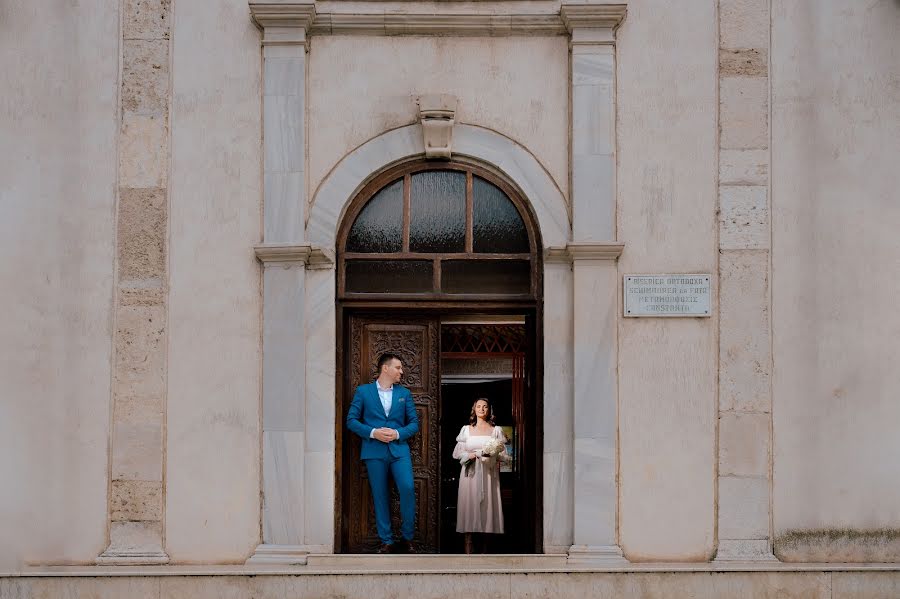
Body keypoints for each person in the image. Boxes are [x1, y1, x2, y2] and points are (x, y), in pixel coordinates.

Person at [346, 352, 419, 554]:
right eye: (398, 368)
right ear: (385, 368)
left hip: (399, 451)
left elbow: (414, 424)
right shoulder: (363, 392)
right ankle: (386, 540)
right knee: (380, 495)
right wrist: (373, 433)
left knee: (407, 489)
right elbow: (351, 421)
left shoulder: (404, 394)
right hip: (374, 451)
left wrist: (397, 433)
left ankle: (407, 538)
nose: (401, 372)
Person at [452, 397, 510, 554]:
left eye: (485, 406)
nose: (482, 409)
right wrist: (471, 455)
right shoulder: (466, 430)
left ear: (489, 410)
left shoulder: (496, 431)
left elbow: (503, 455)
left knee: (487, 506)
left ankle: (486, 549)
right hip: (470, 474)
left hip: (488, 474)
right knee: (470, 505)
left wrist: (490, 455)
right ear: (474, 409)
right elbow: (457, 453)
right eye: (479, 406)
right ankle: (468, 547)